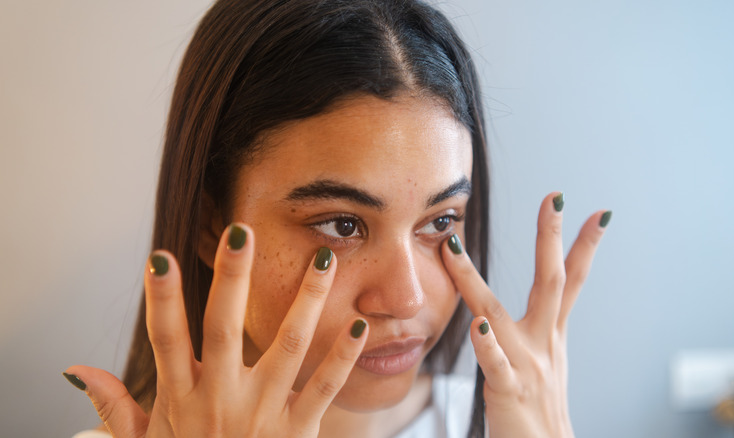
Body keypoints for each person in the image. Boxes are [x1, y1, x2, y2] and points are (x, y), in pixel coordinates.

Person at [62, 0, 611, 436]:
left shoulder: (508, 424)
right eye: (342, 225)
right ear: (212, 224)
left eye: (441, 221)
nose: (406, 299)